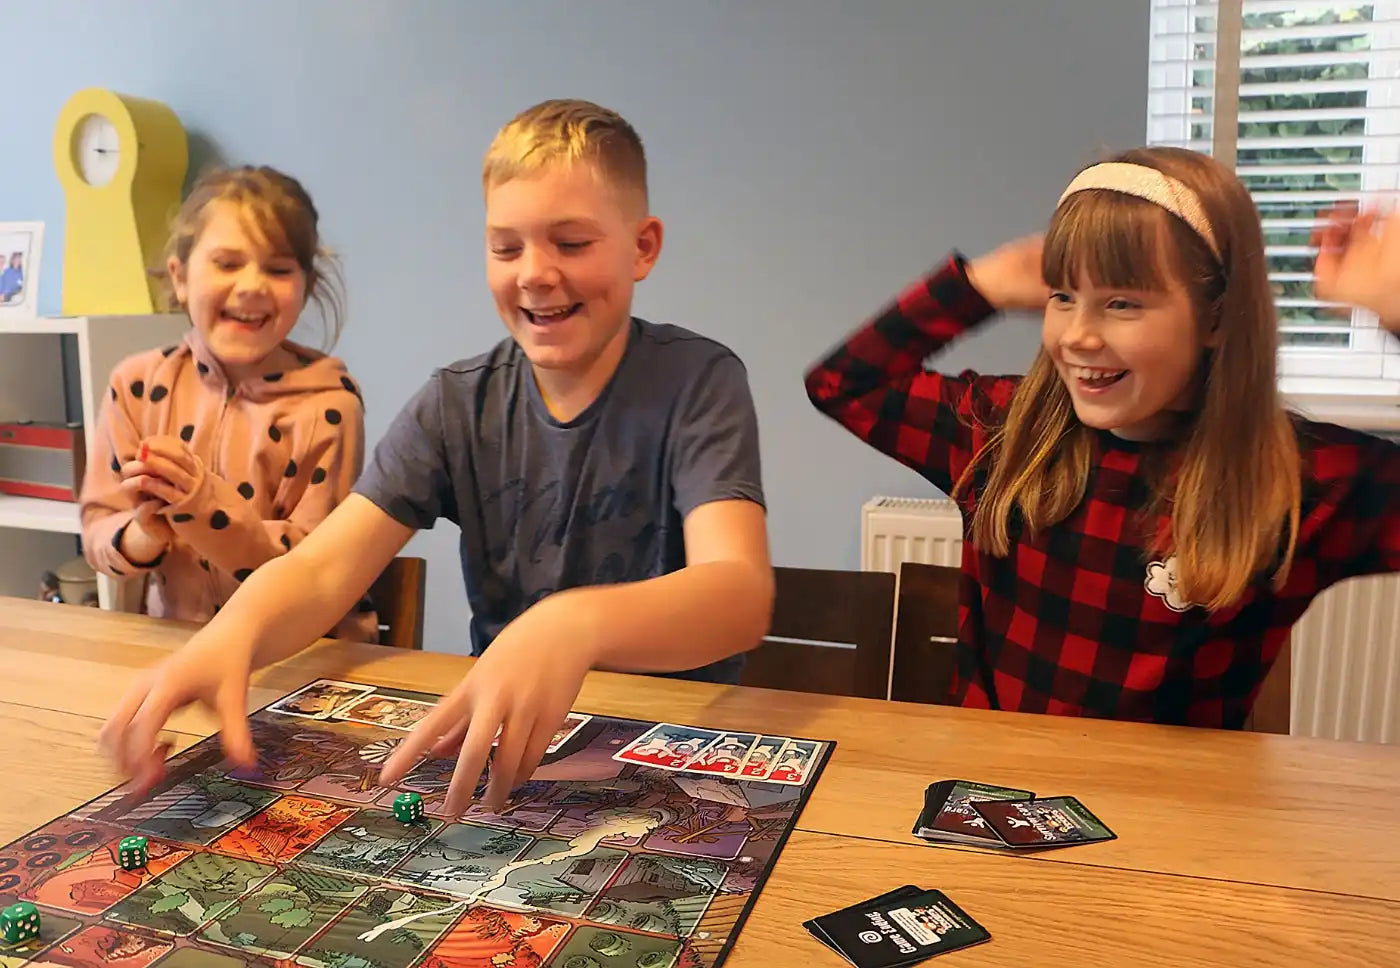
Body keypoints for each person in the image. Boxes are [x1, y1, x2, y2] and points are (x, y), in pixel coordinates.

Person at [98, 99, 773, 812]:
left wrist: (571, 623)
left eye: (571, 243)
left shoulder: (699, 381)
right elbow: (325, 567)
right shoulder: (457, 404)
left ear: (642, 246)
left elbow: (737, 595)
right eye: (506, 247)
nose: (535, 274)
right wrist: (229, 636)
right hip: (513, 759)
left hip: (679, 759)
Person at [806, 145, 1400, 729]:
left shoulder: (1299, 478)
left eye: (1121, 303)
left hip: (1174, 811)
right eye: (1063, 297)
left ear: (1216, 317)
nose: (1078, 337)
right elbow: (842, 384)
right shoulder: (1003, 432)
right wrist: (977, 286)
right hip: (991, 795)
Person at [80, 165, 376, 642]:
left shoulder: (328, 406)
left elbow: (313, 570)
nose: (253, 285)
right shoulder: (135, 385)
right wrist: (147, 531)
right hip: (175, 651)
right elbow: (99, 527)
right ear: (180, 277)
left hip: (301, 660)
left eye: (278, 269)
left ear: (305, 286)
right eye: (227, 263)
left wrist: (203, 508)